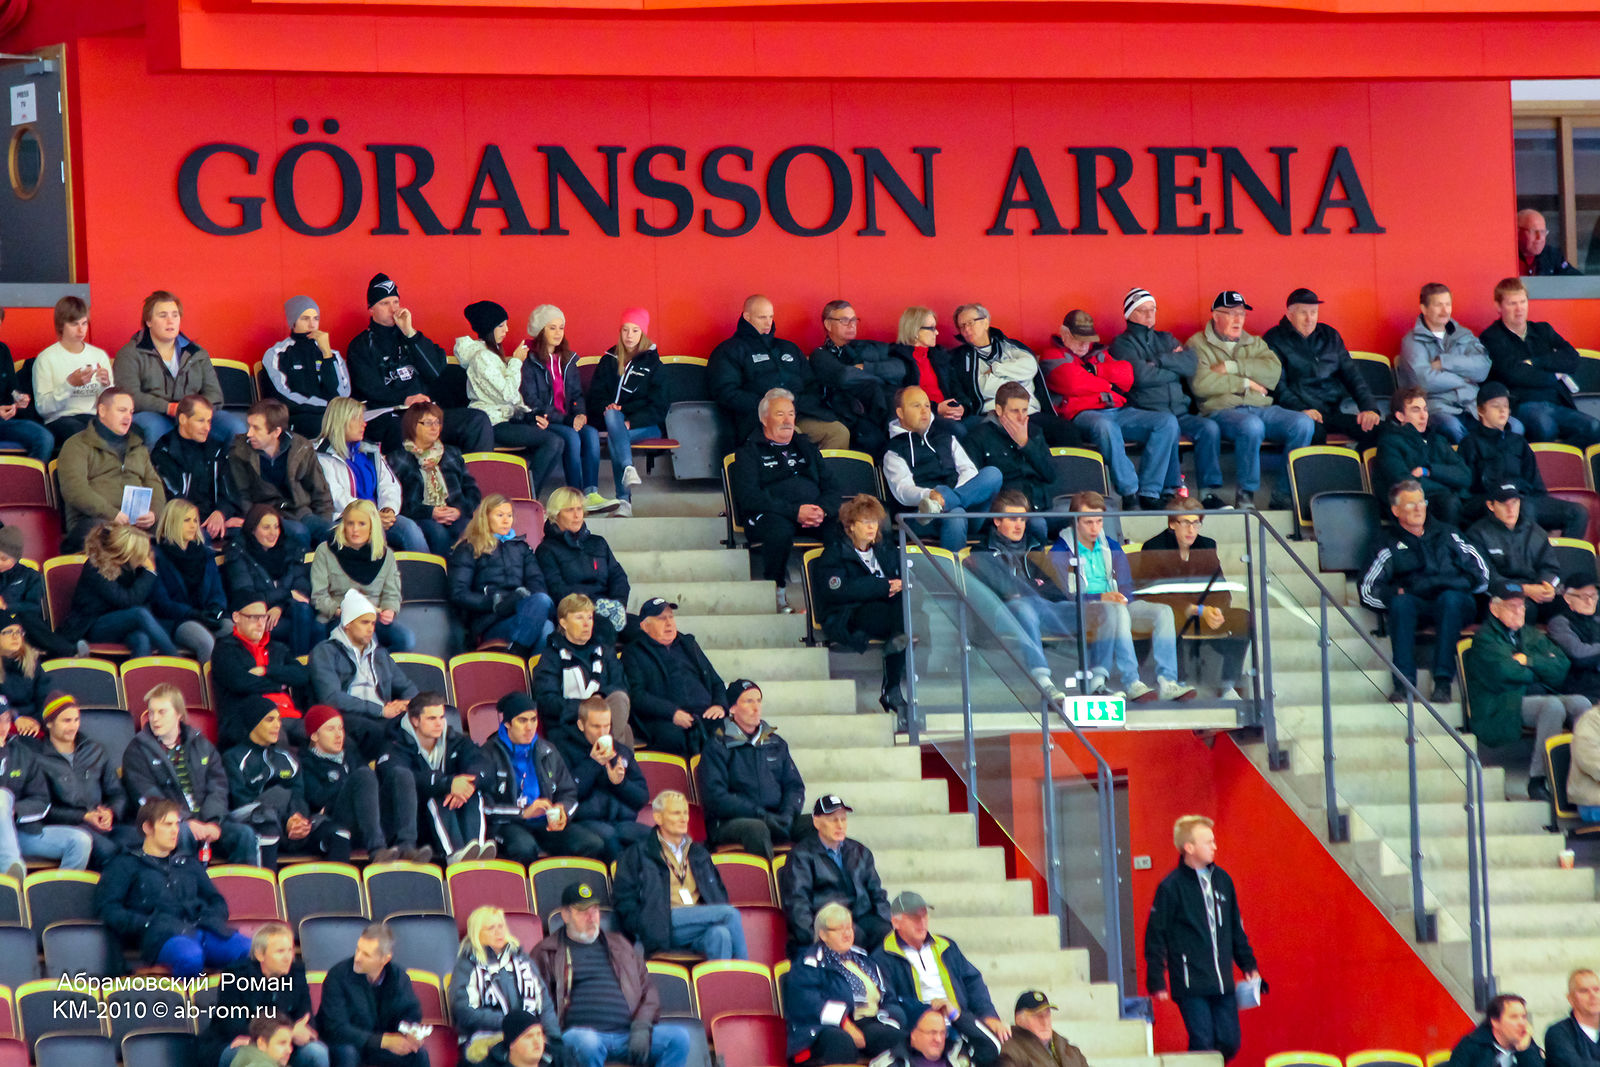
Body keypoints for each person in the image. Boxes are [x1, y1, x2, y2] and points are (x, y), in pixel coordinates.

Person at [528, 881, 692, 1067]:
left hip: (628, 1034)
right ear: (566, 915)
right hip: (580, 1037)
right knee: (587, 1042)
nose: (591, 917)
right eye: (583, 911)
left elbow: (648, 991)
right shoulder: (547, 952)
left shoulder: (620, 945)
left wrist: (641, 1026)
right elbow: (538, 1002)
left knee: (678, 1038)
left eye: (595, 910)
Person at [1051, 491, 1194, 702]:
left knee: (1163, 611)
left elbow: (1126, 584)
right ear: (1075, 522)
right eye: (1088, 522)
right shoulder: (1060, 551)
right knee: (1117, 610)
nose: (1095, 528)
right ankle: (1132, 681)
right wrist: (1102, 597)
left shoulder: (1111, 545)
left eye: (1099, 521)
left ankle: (1168, 681)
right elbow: (1067, 595)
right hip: (1086, 610)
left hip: (1118, 604)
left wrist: (1121, 597)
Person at [1359, 481, 1489, 703]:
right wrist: (1395, 593)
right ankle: (1403, 684)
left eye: (1422, 502)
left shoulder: (1449, 534)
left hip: (1455, 603)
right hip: (1417, 605)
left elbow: (1483, 575)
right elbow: (1367, 590)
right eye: (1411, 504)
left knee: (1450, 599)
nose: (1419, 508)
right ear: (1395, 510)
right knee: (1401, 604)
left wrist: (1447, 583)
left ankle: (1443, 683)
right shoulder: (1387, 541)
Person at [1144, 814, 1259, 1063]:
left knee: (1230, 1041)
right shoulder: (1171, 887)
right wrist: (1156, 979)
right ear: (1189, 847)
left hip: (1222, 982)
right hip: (1190, 983)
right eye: (1208, 842)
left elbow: (1235, 928)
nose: (1214, 846)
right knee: (1203, 1042)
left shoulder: (1223, 881)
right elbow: (1156, 935)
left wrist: (1248, 965)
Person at [1186, 291, 1313, 510]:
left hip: (1260, 407)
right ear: (1216, 316)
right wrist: (1246, 382)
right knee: (1251, 426)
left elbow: (1273, 372)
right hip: (1222, 410)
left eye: (1242, 314)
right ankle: (1246, 493)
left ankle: (1283, 493)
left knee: (1303, 423)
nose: (1238, 320)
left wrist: (1232, 367)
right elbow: (1201, 385)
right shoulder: (1197, 343)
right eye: (1231, 314)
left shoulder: (1254, 342)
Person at [93, 798, 251, 976]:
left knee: (249, 950)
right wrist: (146, 923)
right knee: (190, 957)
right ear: (148, 828)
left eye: (176, 824)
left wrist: (211, 917)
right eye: (168, 824)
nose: (175, 830)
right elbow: (108, 909)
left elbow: (216, 899)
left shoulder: (187, 862)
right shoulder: (125, 864)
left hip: (204, 927)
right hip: (161, 935)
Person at [1464, 582, 1586, 801]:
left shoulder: (1529, 633)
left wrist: (1529, 661)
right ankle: (1538, 779)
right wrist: (1540, 670)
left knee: (1582, 704)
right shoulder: (1485, 639)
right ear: (1494, 609)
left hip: (1533, 694)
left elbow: (1561, 665)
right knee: (1552, 706)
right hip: (1502, 702)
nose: (1519, 611)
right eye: (1512, 606)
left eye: (1522, 606)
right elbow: (1506, 672)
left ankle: (1582, 776)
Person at [1045, 309, 1178, 509]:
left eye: (1088, 339)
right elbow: (1073, 383)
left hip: (1118, 410)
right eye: (1078, 339)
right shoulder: (1052, 355)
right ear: (1064, 334)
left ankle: (1149, 492)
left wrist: (1094, 371)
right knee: (1105, 427)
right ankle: (1129, 492)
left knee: (1166, 422)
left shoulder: (1099, 353)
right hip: (1082, 415)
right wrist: (1107, 383)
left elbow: (1127, 376)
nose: (1084, 345)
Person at [347, 271, 491, 454]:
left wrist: (410, 333)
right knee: (400, 429)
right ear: (371, 309)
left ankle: (472, 473)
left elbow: (436, 370)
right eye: (384, 303)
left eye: (396, 302)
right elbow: (369, 388)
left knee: (477, 420)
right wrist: (404, 399)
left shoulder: (411, 337)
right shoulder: (360, 345)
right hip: (390, 416)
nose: (393, 309)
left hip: (426, 414)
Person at [1110, 288, 1225, 509]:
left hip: (1180, 411)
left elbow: (1190, 364)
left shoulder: (1166, 338)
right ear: (1130, 314)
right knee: (1167, 424)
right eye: (1142, 310)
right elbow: (1140, 377)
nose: (1149, 315)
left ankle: (1208, 493)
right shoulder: (1122, 344)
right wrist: (1174, 366)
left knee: (1209, 428)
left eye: (1152, 309)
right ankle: (1163, 491)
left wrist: (1159, 361)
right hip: (1147, 411)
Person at [123, 682, 260, 863]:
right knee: (184, 833)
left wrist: (212, 822)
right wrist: (185, 820)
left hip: (208, 820)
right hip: (170, 825)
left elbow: (218, 786)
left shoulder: (201, 744)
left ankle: (243, 882)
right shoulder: (136, 751)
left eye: (162, 712)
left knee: (244, 835)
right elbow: (149, 796)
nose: (155, 719)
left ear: (178, 714)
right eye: (151, 712)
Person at [730, 388, 838, 612]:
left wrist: (822, 510)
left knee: (844, 529)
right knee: (778, 531)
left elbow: (832, 487)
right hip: (772, 514)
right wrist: (794, 511)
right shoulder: (748, 452)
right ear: (764, 419)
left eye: (791, 414)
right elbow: (750, 497)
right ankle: (777, 592)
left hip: (813, 514)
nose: (788, 420)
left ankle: (833, 592)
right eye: (780, 414)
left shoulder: (806, 447)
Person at [963, 491, 1077, 703]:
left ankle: (1098, 679)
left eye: (1023, 520)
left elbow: (1056, 591)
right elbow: (1005, 591)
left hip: (1043, 610)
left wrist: (1027, 589)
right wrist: (1034, 586)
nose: (1019, 526)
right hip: (1003, 617)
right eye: (1013, 519)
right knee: (1023, 606)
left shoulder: (1034, 550)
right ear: (997, 521)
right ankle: (1043, 680)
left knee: (1097, 610)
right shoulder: (980, 553)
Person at [872, 890, 1007, 1066]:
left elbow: (973, 981)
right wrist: (924, 1015)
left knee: (1003, 1050)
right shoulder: (883, 957)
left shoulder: (946, 946)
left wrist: (988, 1015)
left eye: (924, 916)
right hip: (922, 1027)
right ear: (896, 922)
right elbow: (889, 1001)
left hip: (958, 1021)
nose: (922, 922)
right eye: (914, 918)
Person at [1133, 500, 1251, 700]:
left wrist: (1215, 610)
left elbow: (1220, 587)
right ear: (1172, 524)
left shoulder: (1206, 545)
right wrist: (1196, 609)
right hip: (1175, 611)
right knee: (1170, 616)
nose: (1191, 529)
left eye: (1196, 523)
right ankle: (1177, 681)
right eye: (1186, 523)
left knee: (1244, 618)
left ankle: (1228, 683)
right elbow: (1154, 593)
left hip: (1204, 612)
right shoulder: (1154, 546)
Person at [615, 789, 747, 959]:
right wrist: (644, 925)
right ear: (658, 818)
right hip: (660, 921)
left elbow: (718, 893)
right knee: (729, 914)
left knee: (721, 934)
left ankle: (726, 977)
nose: (684, 818)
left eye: (685, 813)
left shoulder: (699, 853)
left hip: (695, 923)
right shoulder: (637, 854)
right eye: (676, 813)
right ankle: (746, 971)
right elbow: (624, 902)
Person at [457, 300, 565, 499]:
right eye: (501, 325)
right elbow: (507, 393)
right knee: (553, 441)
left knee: (555, 441)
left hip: (506, 418)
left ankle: (525, 495)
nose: (506, 330)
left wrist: (529, 415)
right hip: (492, 423)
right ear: (488, 328)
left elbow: (511, 400)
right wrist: (516, 361)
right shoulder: (482, 357)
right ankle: (525, 497)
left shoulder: (492, 354)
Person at [709, 294, 848, 449]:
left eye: (771, 317)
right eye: (762, 317)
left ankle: (820, 466)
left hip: (800, 414)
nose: (768, 322)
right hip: (759, 419)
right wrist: (767, 405)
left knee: (838, 432)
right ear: (747, 317)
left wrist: (795, 404)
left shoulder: (789, 348)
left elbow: (812, 386)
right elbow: (726, 392)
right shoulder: (730, 350)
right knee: (791, 434)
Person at [479, 692, 601, 863]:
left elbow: (569, 792)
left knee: (591, 843)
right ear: (507, 723)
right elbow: (484, 806)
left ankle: (562, 879)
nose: (530, 727)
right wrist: (523, 812)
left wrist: (563, 811)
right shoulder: (488, 754)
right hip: (507, 824)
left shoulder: (547, 750)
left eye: (533, 720)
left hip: (544, 823)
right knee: (524, 848)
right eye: (522, 720)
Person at [816, 494, 909, 718]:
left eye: (875, 522)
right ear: (850, 526)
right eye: (865, 522)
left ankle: (893, 687)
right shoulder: (835, 553)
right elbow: (838, 590)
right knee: (903, 622)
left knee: (904, 614)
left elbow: (908, 576)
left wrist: (901, 585)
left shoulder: (885, 550)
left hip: (888, 609)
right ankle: (892, 688)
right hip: (851, 613)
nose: (871, 527)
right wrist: (883, 586)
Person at [1459, 382, 1589, 537]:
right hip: (1491, 502)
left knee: (1578, 512)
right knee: (1523, 507)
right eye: (1495, 406)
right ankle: (1530, 550)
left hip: (1525, 499)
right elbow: (1466, 492)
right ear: (1480, 410)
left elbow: (1537, 486)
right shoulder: (1470, 443)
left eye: (1506, 406)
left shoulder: (1519, 442)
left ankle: (1558, 552)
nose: (1502, 410)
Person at [113, 290, 243, 444]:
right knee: (153, 428)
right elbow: (129, 396)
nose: (170, 321)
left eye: (175, 315)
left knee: (236, 428)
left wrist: (195, 411)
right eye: (163, 315)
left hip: (195, 415)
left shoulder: (197, 352)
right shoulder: (129, 354)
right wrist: (168, 408)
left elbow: (214, 394)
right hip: (154, 414)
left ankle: (227, 462)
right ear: (148, 321)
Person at [784, 900, 907, 1064]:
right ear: (823, 934)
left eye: (849, 927)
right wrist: (844, 1022)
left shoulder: (864, 959)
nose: (847, 933)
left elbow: (888, 997)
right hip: (823, 1027)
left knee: (900, 1039)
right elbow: (808, 1003)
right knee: (841, 1041)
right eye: (839, 929)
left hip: (868, 1021)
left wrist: (889, 1020)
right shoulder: (809, 963)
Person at [301, 704, 426, 863]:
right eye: (331, 729)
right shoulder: (306, 763)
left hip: (371, 821)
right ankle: (377, 850)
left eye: (341, 728)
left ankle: (407, 845)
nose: (339, 735)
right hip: (340, 825)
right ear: (314, 736)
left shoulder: (351, 753)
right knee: (364, 775)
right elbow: (318, 800)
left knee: (401, 774)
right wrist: (350, 786)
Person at [884, 385, 1004, 552]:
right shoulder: (893, 451)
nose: (924, 411)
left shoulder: (946, 438)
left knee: (993, 474)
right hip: (922, 517)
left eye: (927, 405)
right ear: (900, 413)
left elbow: (969, 470)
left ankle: (948, 500)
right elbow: (903, 492)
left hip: (964, 508)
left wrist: (948, 497)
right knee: (955, 514)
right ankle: (952, 570)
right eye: (916, 406)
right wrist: (931, 495)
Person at [697, 679, 808, 857]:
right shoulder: (717, 745)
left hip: (776, 817)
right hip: (731, 822)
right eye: (749, 701)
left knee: (820, 823)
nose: (756, 708)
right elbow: (716, 797)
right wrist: (759, 814)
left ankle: (807, 875)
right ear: (732, 708)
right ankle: (767, 876)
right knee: (757, 828)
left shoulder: (776, 743)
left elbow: (794, 786)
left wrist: (788, 814)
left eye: (759, 701)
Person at [1484, 276, 1600, 446]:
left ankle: (1562, 459)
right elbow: (1514, 374)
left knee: (1594, 427)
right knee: (1545, 427)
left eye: (1523, 302)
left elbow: (1572, 358)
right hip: (1522, 405)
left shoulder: (1542, 330)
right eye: (1512, 304)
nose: (1519, 309)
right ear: (1498, 306)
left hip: (1557, 402)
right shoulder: (1491, 337)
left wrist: (1535, 362)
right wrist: (1554, 376)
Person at [1260, 288, 1383, 448]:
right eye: (1303, 313)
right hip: (1296, 413)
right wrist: (1302, 409)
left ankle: (1355, 462)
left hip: (1332, 412)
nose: (1309, 319)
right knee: (1313, 431)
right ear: (1289, 315)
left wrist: (1369, 408)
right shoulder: (1274, 339)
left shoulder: (1330, 335)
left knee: (1381, 429)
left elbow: (1353, 376)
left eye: (1314, 312)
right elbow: (1278, 386)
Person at [309, 590, 419, 762]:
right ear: (347, 624)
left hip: (382, 715)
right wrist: (381, 710)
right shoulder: (325, 652)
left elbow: (407, 686)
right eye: (364, 622)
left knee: (424, 721)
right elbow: (331, 697)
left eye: (373, 623)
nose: (371, 629)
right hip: (347, 716)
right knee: (375, 731)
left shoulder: (379, 654)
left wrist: (406, 703)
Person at [523, 305, 614, 512]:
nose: (558, 333)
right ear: (540, 331)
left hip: (569, 419)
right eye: (552, 328)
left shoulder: (568, 359)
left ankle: (591, 493)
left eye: (561, 328)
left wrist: (580, 413)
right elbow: (532, 401)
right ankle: (576, 496)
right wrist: (567, 420)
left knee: (590, 434)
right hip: (546, 421)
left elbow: (576, 393)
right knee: (572, 437)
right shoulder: (529, 362)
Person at [32, 692, 136, 868]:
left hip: (103, 824)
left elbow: (117, 792)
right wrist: (84, 816)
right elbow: (43, 809)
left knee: (144, 841)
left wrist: (110, 812)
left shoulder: (95, 750)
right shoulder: (39, 760)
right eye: (66, 721)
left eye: (76, 720)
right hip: (71, 827)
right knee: (110, 853)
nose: (73, 726)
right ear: (49, 723)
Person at [389, 692, 494, 865]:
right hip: (415, 821)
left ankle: (477, 850)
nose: (439, 723)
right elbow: (401, 778)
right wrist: (447, 784)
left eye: (441, 717)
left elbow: (483, 765)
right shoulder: (395, 744)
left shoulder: (455, 739)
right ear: (415, 720)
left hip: (452, 817)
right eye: (431, 718)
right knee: (439, 798)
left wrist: (468, 784)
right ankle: (454, 854)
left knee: (472, 794)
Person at [449, 905, 562, 1065]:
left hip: (529, 1036)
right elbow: (464, 1012)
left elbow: (544, 1004)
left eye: (501, 926)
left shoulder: (522, 959)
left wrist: (554, 1038)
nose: (499, 932)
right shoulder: (466, 966)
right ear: (476, 933)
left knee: (563, 1057)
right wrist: (512, 1025)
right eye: (491, 928)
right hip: (486, 1038)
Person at [948, 304, 1074, 446]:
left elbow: (1030, 367)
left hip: (1029, 412)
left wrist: (995, 369)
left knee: (1067, 430)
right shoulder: (961, 358)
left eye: (970, 323)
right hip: (994, 415)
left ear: (985, 322)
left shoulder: (1010, 346)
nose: (966, 330)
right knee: (1028, 436)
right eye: (962, 326)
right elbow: (983, 388)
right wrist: (1016, 378)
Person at [203, 922, 326, 1067]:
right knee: (255, 1055)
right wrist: (290, 1032)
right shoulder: (235, 976)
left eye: (290, 950)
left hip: (284, 1045)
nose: (288, 957)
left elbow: (305, 1020)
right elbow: (234, 1026)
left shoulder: (296, 975)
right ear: (260, 954)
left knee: (317, 1052)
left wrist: (291, 1036)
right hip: (241, 1043)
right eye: (280, 951)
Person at [57, 387, 165, 549]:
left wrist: (153, 513)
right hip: (92, 522)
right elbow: (75, 490)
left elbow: (154, 483)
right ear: (102, 410)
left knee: (175, 530)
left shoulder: (138, 446)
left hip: (136, 523)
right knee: (109, 533)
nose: (128, 417)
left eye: (131, 412)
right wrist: (112, 514)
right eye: (122, 410)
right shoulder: (77, 445)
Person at [779, 795, 891, 952]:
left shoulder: (860, 851)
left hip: (862, 918)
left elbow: (877, 894)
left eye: (843, 819)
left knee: (887, 936)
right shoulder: (801, 856)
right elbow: (798, 904)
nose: (840, 825)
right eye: (833, 820)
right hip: (829, 923)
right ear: (817, 822)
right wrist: (814, 938)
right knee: (851, 935)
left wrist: (887, 922)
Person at [315, 397, 428, 553]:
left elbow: (389, 484)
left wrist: (388, 509)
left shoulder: (370, 451)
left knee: (410, 528)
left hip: (378, 516)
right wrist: (371, 515)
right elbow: (336, 496)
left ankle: (424, 569)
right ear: (341, 421)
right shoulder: (321, 456)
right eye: (357, 419)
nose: (364, 424)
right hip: (346, 519)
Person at [1398, 283, 1503, 444]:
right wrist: (1463, 380)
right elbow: (1423, 381)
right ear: (1424, 308)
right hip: (1438, 407)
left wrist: (1445, 363)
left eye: (1448, 304)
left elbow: (1483, 368)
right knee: (1453, 429)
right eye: (1438, 305)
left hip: (1472, 406)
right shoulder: (1412, 341)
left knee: (1513, 427)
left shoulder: (1463, 334)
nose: (1445, 310)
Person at [550, 696, 652, 862]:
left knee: (658, 841)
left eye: (607, 726)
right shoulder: (562, 749)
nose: (603, 732)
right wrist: (593, 763)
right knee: (610, 840)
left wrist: (620, 783)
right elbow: (565, 794)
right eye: (596, 726)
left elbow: (642, 798)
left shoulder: (621, 751)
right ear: (581, 725)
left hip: (622, 822)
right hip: (585, 822)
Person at [0, 694, 92, 878]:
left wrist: (15, 810)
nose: (2, 727)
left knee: (80, 841)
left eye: (6, 720)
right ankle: (10, 874)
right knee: (2, 797)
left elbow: (41, 800)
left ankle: (59, 893)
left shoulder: (22, 752)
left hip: (22, 832)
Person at [450, 494, 553, 656]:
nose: (506, 521)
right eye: (500, 515)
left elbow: (537, 583)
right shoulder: (468, 548)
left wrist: (522, 597)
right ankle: (520, 657)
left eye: (509, 516)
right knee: (545, 626)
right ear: (485, 518)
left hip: (521, 612)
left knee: (545, 615)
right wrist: (494, 602)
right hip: (490, 620)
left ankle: (517, 652)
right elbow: (458, 593)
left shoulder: (521, 547)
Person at [621, 598, 726, 757]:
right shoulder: (633, 652)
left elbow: (716, 682)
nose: (669, 623)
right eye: (661, 618)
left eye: (671, 617)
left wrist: (719, 705)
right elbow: (636, 695)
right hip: (664, 718)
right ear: (645, 626)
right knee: (674, 737)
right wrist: (672, 712)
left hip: (705, 713)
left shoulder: (689, 645)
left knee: (727, 734)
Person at [809, 299, 913, 457]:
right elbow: (844, 376)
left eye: (854, 320)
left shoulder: (864, 347)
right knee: (876, 439)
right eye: (844, 320)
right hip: (851, 415)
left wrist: (866, 368)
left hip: (883, 409)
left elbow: (900, 369)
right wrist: (880, 378)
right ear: (828, 325)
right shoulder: (821, 354)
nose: (852, 325)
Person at [230, 398, 336, 552]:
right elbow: (242, 494)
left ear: (276, 432)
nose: (249, 433)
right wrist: (252, 521)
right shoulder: (240, 452)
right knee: (299, 533)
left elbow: (320, 491)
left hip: (301, 513)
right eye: (249, 426)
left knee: (336, 533)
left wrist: (324, 521)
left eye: (256, 428)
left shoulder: (301, 448)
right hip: (267, 516)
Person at [318, 922, 429, 1067]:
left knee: (418, 1054)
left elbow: (410, 1012)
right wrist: (383, 1041)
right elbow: (336, 1027)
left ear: (385, 959)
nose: (357, 958)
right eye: (358, 949)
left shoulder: (399, 977)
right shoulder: (338, 976)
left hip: (380, 1044)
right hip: (348, 1043)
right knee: (347, 1052)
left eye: (366, 955)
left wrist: (410, 1032)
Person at [592, 307, 669, 513]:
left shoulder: (654, 365)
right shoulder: (609, 359)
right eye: (625, 330)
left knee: (616, 435)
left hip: (646, 426)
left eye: (635, 330)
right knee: (612, 418)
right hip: (612, 421)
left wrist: (630, 420)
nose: (629, 335)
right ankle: (627, 471)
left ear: (643, 333)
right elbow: (595, 395)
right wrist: (608, 406)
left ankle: (624, 500)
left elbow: (659, 407)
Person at [61, 523, 179, 656]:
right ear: (130, 552)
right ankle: (177, 661)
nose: (146, 557)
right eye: (142, 552)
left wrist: (147, 573)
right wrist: (150, 572)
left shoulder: (134, 569)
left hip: (120, 624)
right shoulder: (97, 567)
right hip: (91, 626)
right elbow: (127, 601)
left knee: (141, 638)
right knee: (139, 614)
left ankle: (140, 670)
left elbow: (146, 601)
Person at [224, 701, 316, 866]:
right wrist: (285, 819)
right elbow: (242, 803)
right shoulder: (233, 758)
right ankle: (265, 882)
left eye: (279, 720)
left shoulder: (288, 758)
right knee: (273, 809)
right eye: (270, 720)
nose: (277, 725)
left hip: (287, 824)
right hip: (253, 822)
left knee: (330, 829)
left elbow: (298, 795)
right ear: (254, 722)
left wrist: (296, 818)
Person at [312, 500, 412, 651]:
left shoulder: (386, 555)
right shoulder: (325, 551)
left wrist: (389, 610)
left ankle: (380, 664)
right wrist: (342, 611)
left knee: (405, 639)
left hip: (374, 617)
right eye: (350, 523)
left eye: (361, 524)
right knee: (366, 638)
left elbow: (392, 594)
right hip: (339, 617)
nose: (355, 530)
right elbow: (319, 597)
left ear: (372, 526)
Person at [211, 591, 308, 748]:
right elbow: (241, 683)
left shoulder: (277, 648)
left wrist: (266, 671)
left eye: (263, 617)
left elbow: (302, 675)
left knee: (321, 734)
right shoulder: (225, 649)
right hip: (247, 720)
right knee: (277, 735)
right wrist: (280, 684)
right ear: (236, 617)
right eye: (253, 617)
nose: (260, 623)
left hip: (288, 715)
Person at [532, 593, 632, 745]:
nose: (587, 624)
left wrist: (598, 698)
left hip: (604, 722)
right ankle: (611, 753)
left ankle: (608, 749)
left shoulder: (606, 652)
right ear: (563, 623)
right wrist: (585, 708)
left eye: (590, 618)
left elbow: (621, 687)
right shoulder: (551, 656)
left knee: (620, 700)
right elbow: (547, 701)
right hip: (568, 725)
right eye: (579, 618)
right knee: (625, 732)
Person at [535, 486, 630, 639]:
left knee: (646, 629)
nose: (577, 515)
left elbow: (619, 577)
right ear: (555, 515)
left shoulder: (598, 543)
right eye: (569, 510)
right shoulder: (546, 549)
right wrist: (594, 606)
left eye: (579, 509)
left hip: (609, 609)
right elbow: (556, 589)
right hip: (576, 615)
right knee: (604, 629)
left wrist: (617, 604)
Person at [388, 401, 481, 555]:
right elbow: (398, 502)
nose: (434, 427)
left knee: (467, 529)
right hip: (421, 516)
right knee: (438, 534)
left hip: (454, 513)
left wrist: (459, 510)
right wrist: (430, 512)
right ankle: (440, 570)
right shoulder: (398, 459)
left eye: (437, 422)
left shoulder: (452, 453)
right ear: (412, 426)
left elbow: (472, 491)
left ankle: (462, 569)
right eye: (428, 423)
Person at [226, 504, 319, 657]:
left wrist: (280, 606)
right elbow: (247, 595)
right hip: (256, 617)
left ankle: (300, 666)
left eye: (276, 527)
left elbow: (301, 585)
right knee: (312, 626)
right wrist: (288, 594)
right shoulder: (238, 552)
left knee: (307, 615)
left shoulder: (289, 547)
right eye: (266, 527)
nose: (273, 533)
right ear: (252, 529)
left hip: (286, 611)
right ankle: (299, 666)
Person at [150, 394, 245, 543]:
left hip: (214, 521)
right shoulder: (164, 451)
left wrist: (221, 513)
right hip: (184, 523)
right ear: (183, 419)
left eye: (209, 421)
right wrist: (199, 520)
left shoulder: (216, 449)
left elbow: (229, 490)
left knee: (250, 531)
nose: (207, 427)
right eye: (201, 421)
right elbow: (173, 499)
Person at [1375, 385, 1473, 528]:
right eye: (1416, 410)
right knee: (1449, 503)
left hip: (1452, 500)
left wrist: (1429, 471)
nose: (1423, 416)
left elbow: (1465, 476)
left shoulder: (1438, 440)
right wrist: (1449, 484)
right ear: (1400, 416)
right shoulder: (1389, 443)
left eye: (1425, 409)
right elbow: (1403, 483)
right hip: (1417, 505)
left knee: (1493, 503)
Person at [965, 382, 1056, 536]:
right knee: (1037, 525)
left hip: (1037, 506)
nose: (1021, 417)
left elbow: (1051, 474)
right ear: (999, 410)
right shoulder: (977, 437)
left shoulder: (1034, 432)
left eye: (1025, 410)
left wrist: (1026, 444)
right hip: (1002, 511)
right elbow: (975, 486)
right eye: (1015, 411)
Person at [150, 497, 233, 661]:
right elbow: (161, 603)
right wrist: (193, 613)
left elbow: (217, 591)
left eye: (195, 520)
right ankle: (206, 679)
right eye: (186, 520)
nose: (193, 525)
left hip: (206, 615)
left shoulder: (206, 554)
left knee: (234, 630)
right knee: (205, 642)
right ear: (172, 522)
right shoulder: (157, 556)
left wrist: (215, 610)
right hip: (177, 620)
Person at [1467, 485, 1562, 620]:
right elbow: (1489, 579)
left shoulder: (1535, 531)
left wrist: (1546, 585)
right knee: (1525, 610)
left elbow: (1550, 567)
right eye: (1503, 504)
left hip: (1535, 590)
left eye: (1514, 502)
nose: (1510, 509)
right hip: (1499, 595)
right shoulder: (1478, 534)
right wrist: (1524, 590)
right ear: (1491, 505)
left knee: (1569, 605)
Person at [263, 296, 351, 438]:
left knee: (355, 423)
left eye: (316, 319)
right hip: (300, 417)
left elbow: (341, 394)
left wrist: (327, 355)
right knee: (319, 423)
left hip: (331, 415)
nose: (312, 325)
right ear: (293, 322)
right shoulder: (277, 354)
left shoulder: (332, 354)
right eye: (305, 319)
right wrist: (324, 407)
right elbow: (283, 396)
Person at [35, 295, 113, 449]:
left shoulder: (99, 355)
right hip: (60, 419)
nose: (81, 330)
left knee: (129, 432)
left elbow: (109, 406)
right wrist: (70, 384)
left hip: (92, 416)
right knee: (82, 433)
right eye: (74, 324)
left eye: (84, 323)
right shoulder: (46, 358)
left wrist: (106, 386)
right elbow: (43, 409)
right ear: (61, 325)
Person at [0, 526, 80, 658]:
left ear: (15, 558)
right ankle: (67, 650)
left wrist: (7, 606)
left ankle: (64, 651)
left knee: (26, 617)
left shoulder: (30, 576)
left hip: (19, 623)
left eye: (4, 559)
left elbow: (34, 607)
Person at [889, 306, 964, 438]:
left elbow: (956, 386)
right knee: (957, 429)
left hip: (950, 414)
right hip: (924, 417)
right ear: (915, 331)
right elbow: (903, 399)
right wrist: (937, 408)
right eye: (932, 328)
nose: (937, 333)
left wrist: (961, 407)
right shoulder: (900, 359)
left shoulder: (939, 356)